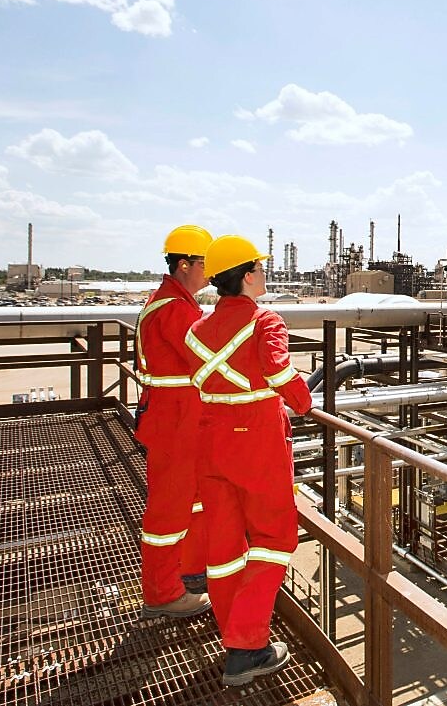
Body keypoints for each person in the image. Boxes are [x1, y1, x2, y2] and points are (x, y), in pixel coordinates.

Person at [185, 234, 312, 687]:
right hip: (256, 440)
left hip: (211, 439)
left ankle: (232, 634)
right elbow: (279, 370)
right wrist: (303, 401)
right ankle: (246, 646)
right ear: (245, 276)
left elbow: (199, 380)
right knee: (274, 539)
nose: (264, 273)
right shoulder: (265, 321)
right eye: (259, 267)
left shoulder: (197, 330)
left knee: (224, 547)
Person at [135, 224, 214, 620]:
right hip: (175, 423)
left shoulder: (173, 302)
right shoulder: (174, 310)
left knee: (191, 501)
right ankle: (162, 593)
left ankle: (189, 572)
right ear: (184, 264)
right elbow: (208, 359)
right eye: (205, 263)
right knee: (169, 509)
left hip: (179, 420)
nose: (210, 271)